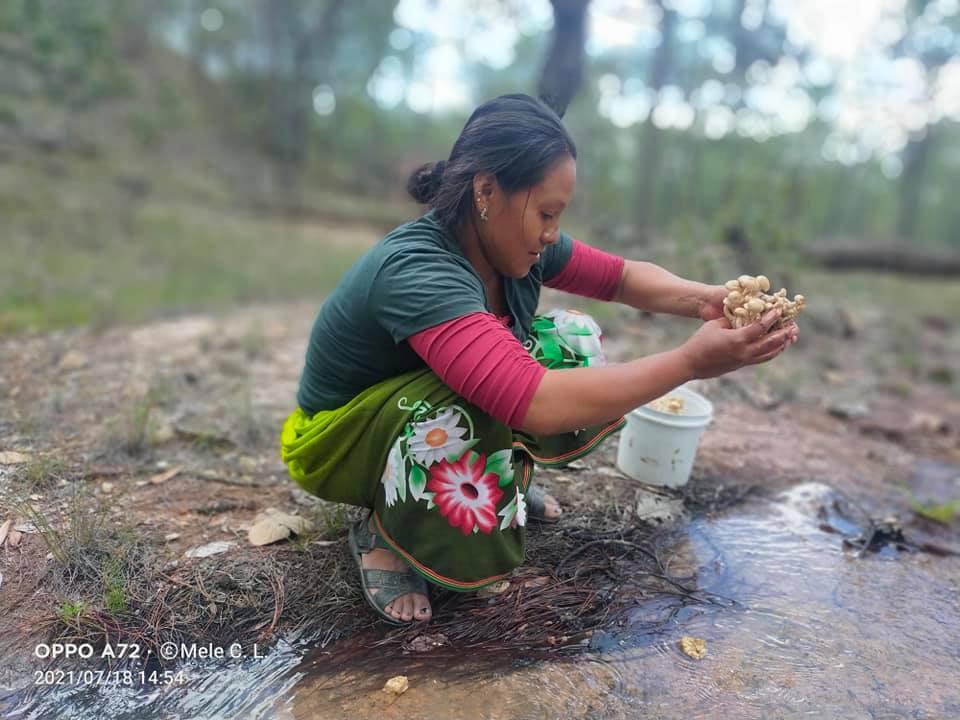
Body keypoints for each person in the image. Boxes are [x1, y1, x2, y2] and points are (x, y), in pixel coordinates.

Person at [280, 93, 798, 626]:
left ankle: (496, 476)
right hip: (337, 443)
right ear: (486, 191)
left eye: (559, 215)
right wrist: (691, 362)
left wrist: (708, 301)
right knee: (476, 394)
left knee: (566, 339)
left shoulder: (509, 242)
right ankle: (384, 530)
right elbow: (535, 403)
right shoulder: (418, 269)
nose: (552, 232)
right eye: (545, 213)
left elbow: (620, 277)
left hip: (404, 412)